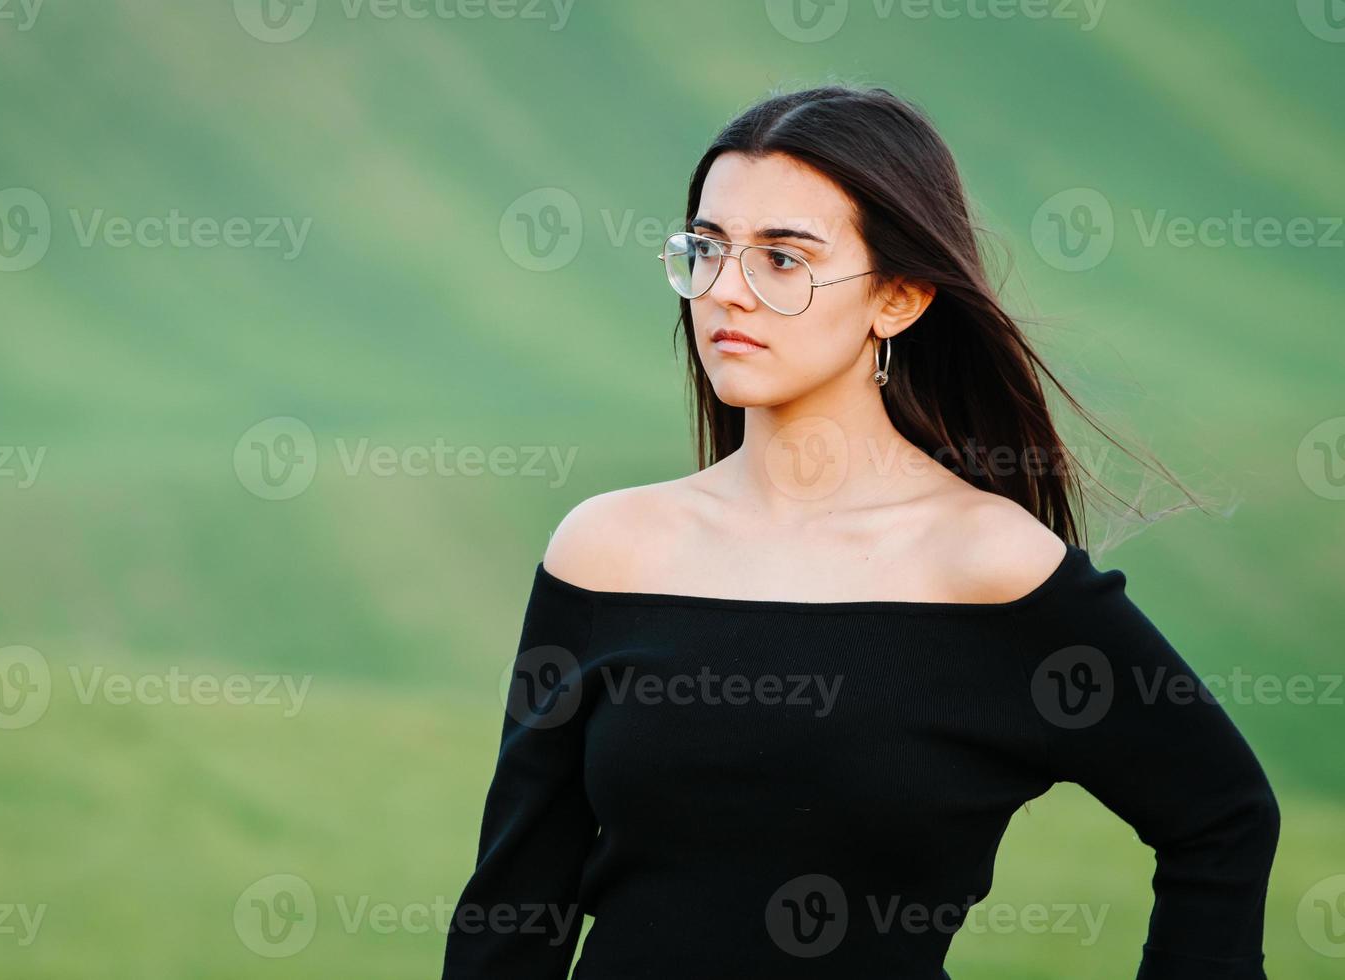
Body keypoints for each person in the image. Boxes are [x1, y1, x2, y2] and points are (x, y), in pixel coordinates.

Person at [441, 84, 1279, 979]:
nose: (727, 292)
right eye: (708, 249)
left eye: (783, 259)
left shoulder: (990, 568)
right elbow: (515, 910)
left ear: (902, 297)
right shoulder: (605, 552)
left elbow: (1222, 819)